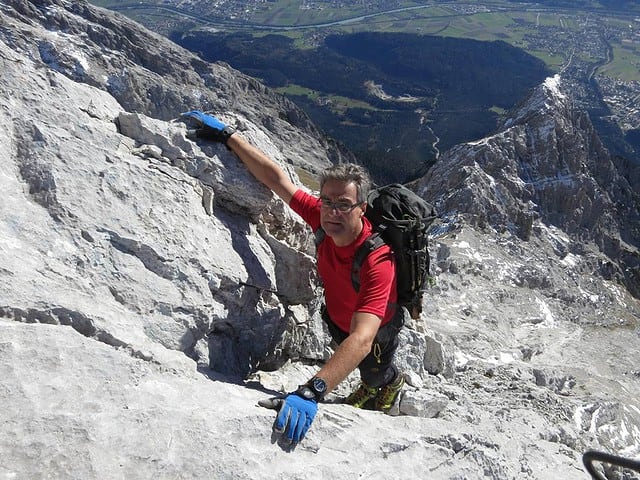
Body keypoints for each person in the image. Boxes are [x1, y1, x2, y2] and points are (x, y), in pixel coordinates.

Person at [182, 111, 407, 446]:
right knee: (348, 354)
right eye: (327, 201)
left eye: (344, 205)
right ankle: (367, 383)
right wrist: (231, 137)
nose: (332, 211)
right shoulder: (321, 217)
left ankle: (389, 383)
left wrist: (313, 390)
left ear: (362, 208)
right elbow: (276, 180)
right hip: (337, 320)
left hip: (376, 334)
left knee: (373, 373)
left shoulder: (378, 260)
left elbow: (362, 340)